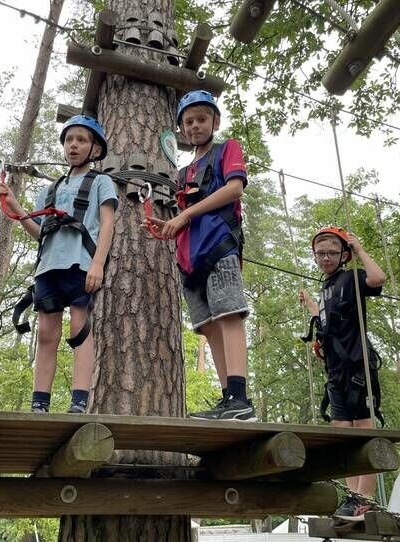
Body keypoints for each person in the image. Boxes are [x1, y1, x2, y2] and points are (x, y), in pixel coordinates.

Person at [0, 115, 117, 414]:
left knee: (80, 329)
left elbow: (107, 223)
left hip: (81, 263)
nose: (73, 145)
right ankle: (39, 403)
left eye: (81, 140)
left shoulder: (101, 182)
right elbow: (41, 233)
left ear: (95, 149)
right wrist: (16, 208)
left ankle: (79, 401)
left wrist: (98, 264)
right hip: (48, 266)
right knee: (46, 333)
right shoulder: (50, 191)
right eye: (69, 140)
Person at [146, 90, 254, 421]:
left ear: (215, 122)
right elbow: (186, 215)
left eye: (202, 119)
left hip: (218, 245)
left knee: (228, 314)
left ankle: (241, 398)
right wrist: (171, 225)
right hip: (189, 257)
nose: (195, 126)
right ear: (181, 128)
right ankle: (228, 397)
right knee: (208, 326)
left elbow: (234, 188)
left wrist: (186, 215)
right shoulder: (183, 172)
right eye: (189, 122)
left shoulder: (226, 149)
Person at [299, 227, 387, 521]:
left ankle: (365, 498)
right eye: (321, 253)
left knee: (363, 428)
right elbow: (328, 323)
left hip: (357, 366)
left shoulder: (352, 278)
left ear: (343, 256)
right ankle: (352, 497)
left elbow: (378, 278)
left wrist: (359, 249)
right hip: (335, 371)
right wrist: (312, 308)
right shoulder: (326, 287)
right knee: (342, 434)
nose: (325, 258)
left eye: (332, 253)